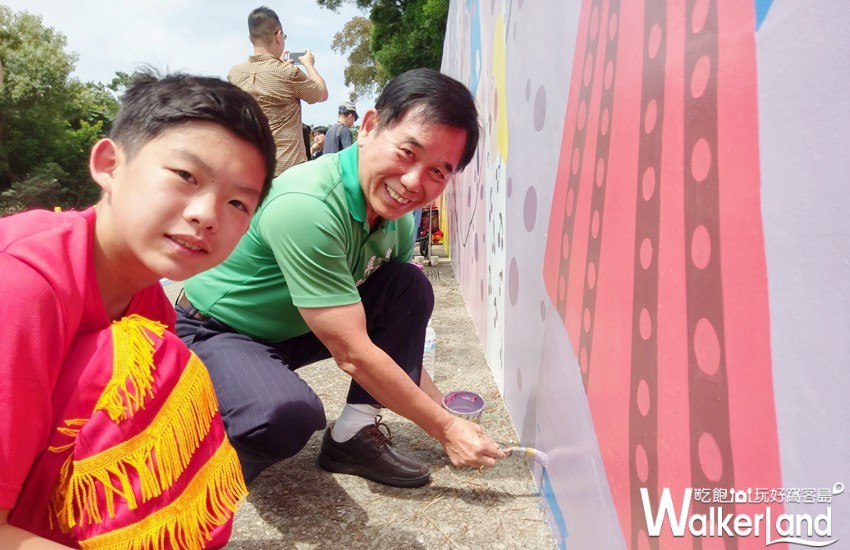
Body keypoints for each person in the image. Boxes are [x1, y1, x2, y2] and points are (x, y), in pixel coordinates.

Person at [176, 68, 506, 489]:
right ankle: (186, 468)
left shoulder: (396, 215)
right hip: (216, 332)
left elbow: (389, 341)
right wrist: (443, 427)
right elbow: (352, 352)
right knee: (283, 416)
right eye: (408, 152)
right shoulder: (308, 203)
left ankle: (351, 437)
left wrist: (445, 411)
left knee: (407, 286)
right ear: (369, 127)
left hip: (295, 327)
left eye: (438, 172)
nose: (412, 183)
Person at [0, 71, 277, 548]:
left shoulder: (144, 298)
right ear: (109, 164)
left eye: (237, 202)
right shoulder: (24, 288)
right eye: (186, 176)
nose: (206, 214)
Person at [229, 6, 329, 176]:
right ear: (278, 35)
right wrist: (309, 65)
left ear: (250, 38)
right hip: (286, 172)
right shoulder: (288, 73)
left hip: (250, 170)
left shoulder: (234, 74)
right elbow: (321, 93)